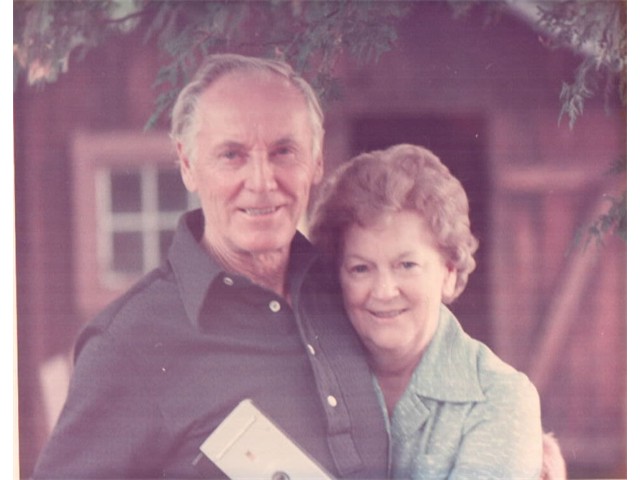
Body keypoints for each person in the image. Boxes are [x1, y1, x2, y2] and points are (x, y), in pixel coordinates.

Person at [32, 54, 389, 479]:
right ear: (187, 164)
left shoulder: (353, 297)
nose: (261, 181)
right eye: (232, 155)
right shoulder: (130, 343)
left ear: (316, 160)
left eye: (284, 151)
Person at [309, 143, 544, 479]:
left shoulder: (501, 399)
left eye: (407, 265)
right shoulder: (307, 376)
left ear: (449, 273)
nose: (384, 291)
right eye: (361, 268)